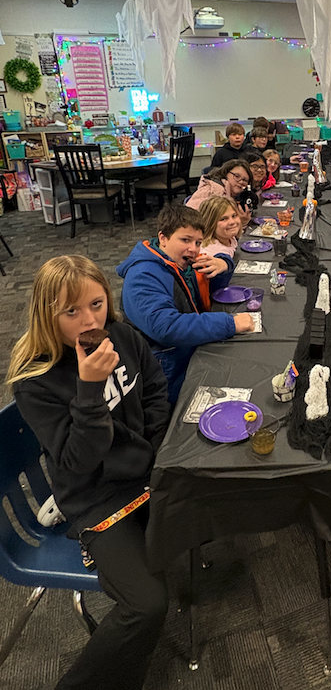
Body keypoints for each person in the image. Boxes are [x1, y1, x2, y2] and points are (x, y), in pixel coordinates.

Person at [7, 255, 171, 690]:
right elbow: (77, 459)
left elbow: (154, 391)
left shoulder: (122, 336)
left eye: (96, 304)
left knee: (218, 501)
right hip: (95, 496)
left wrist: (153, 449)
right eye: (71, 311)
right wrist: (90, 388)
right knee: (147, 604)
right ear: (48, 314)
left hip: (145, 472)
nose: (89, 321)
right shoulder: (35, 380)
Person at [117, 204, 254, 404]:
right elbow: (167, 328)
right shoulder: (143, 276)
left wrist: (223, 263)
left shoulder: (178, 260)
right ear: (163, 238)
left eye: (198, 242)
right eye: (185, 240)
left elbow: (214, 286)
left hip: (186, 351)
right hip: (165, 366)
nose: (194, 249)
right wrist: (230, 324)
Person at [186, 158, 255, 229]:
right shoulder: (214, 191)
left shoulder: (232, 194)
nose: (241, 182)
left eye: (245, 180)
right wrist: (241, 223)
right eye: (237, 176)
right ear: (225, 173)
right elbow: (212, 228)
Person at [199, 196, 241, 260]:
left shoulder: (230, 239)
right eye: (223, 219)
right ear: (210, 223)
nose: (232, 222)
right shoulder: (210, 254)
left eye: (234, 216)